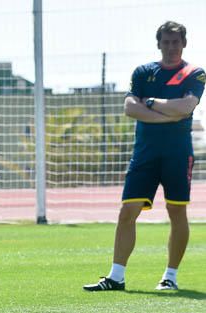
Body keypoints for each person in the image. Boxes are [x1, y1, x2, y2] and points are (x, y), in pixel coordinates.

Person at [84, 21, 205, 292]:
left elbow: (186, 107)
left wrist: (149, 103)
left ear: (184, 43)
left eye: (176, 42)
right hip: (144, 154)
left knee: (176, 211)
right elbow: (129, 107)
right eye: (166, 41)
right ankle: (116, 277)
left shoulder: (195, 73)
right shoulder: (143, 72)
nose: (171, 46)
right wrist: (167, 115)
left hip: (177, 154)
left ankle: (170, 276)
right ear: (158, 43)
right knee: (127, 211)